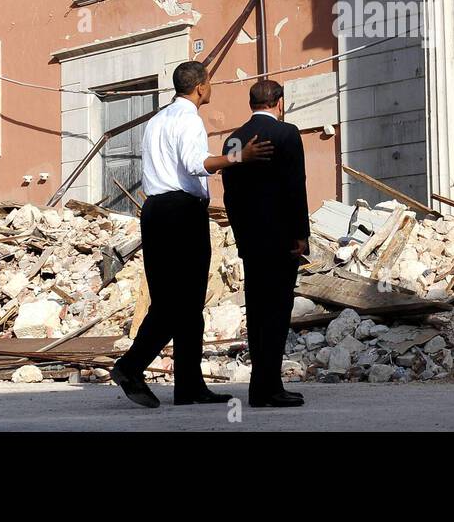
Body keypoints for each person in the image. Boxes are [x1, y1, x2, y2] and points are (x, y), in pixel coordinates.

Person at [110, 60, 272, 409]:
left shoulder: (156, 120)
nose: (211, 88)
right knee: (181, 302)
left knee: (177, 303)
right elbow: (198, 163)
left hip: (154, 212)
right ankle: (131, 366)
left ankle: (188, 386)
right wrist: (240, 156)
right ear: (200, 87)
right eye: (209, 83)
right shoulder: (189, 120)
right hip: (181, 213)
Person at [221, 78, 310, 408]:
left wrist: (241, 233)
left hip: (251, 241)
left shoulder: (233, 140)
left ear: (251, 103)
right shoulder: (288, 134)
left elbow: (230, 195)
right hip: (282, 240)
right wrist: (301, 233)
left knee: (258, 312)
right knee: (276, 312)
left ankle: (261, 387)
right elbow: (294, 185)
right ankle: (268, 388)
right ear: (279, 102)